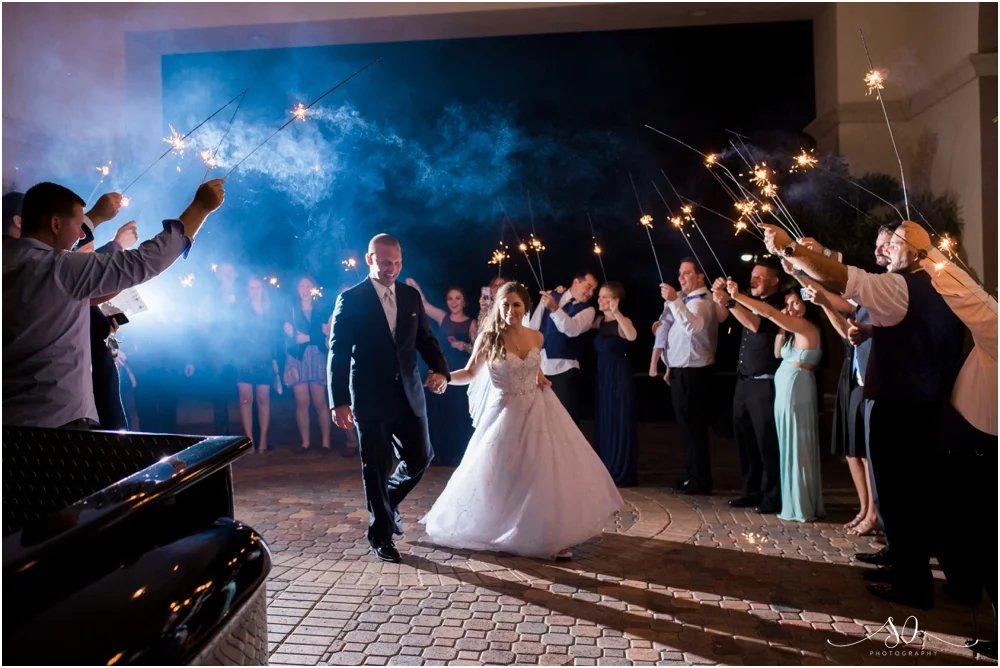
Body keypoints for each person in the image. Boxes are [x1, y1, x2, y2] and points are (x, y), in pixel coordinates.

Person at [761, 220, 965, 608]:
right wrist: (873, 333)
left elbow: (844, 279)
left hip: (901, 403)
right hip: (923, 402)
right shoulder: (937, 284)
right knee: (907, 495)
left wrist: (790, 249)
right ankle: (906, 569)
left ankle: (912, 585)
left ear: (916, 253)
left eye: (895, 244)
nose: (886, 250)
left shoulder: (901, 284)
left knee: (900, 497)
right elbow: (914, 329)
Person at [421, 281, 623, 560]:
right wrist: (444, 377)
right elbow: (470, 373)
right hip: (504, 413)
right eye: (505, 305)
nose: (510, 310)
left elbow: (533, 367)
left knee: (542, 473)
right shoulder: (489, 338)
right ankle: (503, 527)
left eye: (516, 305)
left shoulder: (536, 337)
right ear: (497, 307)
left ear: (525, 307)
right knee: (503, 474)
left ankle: (549, 537)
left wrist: (541, 378)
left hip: (538, 410)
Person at [2, 180, 225, 429]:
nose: (81, 235)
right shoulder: (60, 268)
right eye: (78, 225)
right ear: (55, 224)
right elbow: (144, 262)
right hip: (56, 424)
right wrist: (200, 208)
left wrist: (96, 215)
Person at [328, 234, 451, 564]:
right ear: (370, 260)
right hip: (370, 397)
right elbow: (339, 352)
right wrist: (339, 400)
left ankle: (387, 503)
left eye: (397, 263)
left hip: (409, 393)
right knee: (376, 466)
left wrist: (441, 370)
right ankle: (380, 534)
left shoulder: (411, 296)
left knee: (421, 456)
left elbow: (426, 339)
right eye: (385, 263)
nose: (392, 269)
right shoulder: (351, 299)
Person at [728, 281, 826, 522]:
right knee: (785, 444)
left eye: (796, 303)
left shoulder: (807, 326)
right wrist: (782, 325)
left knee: (796, 445)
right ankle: (790, 498)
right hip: (785, 393)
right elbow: (776, 352)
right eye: (788, 304)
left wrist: (737, 296)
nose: (790, 308)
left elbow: (768, 313)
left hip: (796, 392)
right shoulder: (793, 329)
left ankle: (800, 503)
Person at [712, 257, 784, 514]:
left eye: (759, 277)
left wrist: (732, 300)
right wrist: (721, 297)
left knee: (766, 442)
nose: (753, 280)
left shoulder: (778, 306)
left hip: (765, 383)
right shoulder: (749, 302)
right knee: (745, 441)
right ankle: (751, 491)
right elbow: (726, 315)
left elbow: (755, 324)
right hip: (744, 382)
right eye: (752, 275)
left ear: (774, 281)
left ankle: (772, 496)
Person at [661, 258, 718, 495]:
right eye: (680, 273)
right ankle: (692, 474)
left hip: (693, 372)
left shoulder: (701, 302)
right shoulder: (686, 301)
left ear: (700, 276)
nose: (681, 278)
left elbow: (693, 327)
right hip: (680, 370)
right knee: (687, 428)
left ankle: (700, 480)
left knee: (694, 427)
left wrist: (674, 301)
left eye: (686, 273)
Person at [406, 278, 477, 466]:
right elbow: (424, 304)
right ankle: (438, 454)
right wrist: (416, 287)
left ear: (464, 301)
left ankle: (457, 453)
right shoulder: (443, 318)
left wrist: (464, 346)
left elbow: (478, 351)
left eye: (458, 298)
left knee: (457, 413)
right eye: (450, 298)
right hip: (440, 371)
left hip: (460, 374)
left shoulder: (471, 323)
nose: (454, 302)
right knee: (437, 413)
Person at [528, 271, 599, 425]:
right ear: (576, 282)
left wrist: (555, 309)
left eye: (593, 290)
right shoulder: (551, 295)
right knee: (540, 418)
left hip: (565, 370)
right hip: (539, 367)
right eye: (588, 287)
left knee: (564, 420)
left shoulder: (588, 310)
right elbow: (533, 326)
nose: (590, 293)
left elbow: (572, 329)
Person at [592, 282, 639, 486]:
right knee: (606, 419)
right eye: (600, 296)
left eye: (605, 296)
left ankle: (620, 468)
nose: (600, 300)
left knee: (619, 420)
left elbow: (632, 336)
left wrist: (616, 312)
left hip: (619, 376)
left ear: (615, 300)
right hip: (603, 377)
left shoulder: (622, 320)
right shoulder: (599, 321)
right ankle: (605, 465)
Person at [285, 275, 333, 451]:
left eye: (308, 286)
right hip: (298, 357)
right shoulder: (291, 310)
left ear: (313, 288)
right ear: (297, 290)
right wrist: (287, 330)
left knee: (320, 401)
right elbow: (286, 335)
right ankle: (305, 442)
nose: (305, 290)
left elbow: (327, 334)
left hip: (317, 356)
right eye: (301, 286)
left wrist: (308, 338)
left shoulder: (322, 310)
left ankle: (326, 442)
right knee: (302, 402)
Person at [237, 276, 281, 452]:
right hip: (244, 359)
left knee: (263, 398)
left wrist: (275, 360)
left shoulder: (270, 310)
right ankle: (250, 442)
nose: (255, 291)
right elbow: (234, 335)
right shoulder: (241, 309)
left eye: (257, 288)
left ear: (263, 290)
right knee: (246, 398)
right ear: (247, 291)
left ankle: (262, 440)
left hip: (265, 359)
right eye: (251, 288)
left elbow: (274, 338)